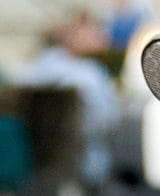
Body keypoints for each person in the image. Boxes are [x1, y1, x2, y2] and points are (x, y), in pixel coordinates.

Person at [13, 15, 119, 192]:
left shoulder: (92, 71)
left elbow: (108, 119)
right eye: (86, 32)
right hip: (59, 159)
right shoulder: (53, 66)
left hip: (78, 160)